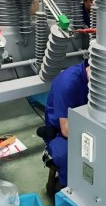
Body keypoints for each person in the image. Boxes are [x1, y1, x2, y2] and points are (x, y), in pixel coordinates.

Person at [38, 60, 90, 188]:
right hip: (60, 132)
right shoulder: (68, 82)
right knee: (67, 156)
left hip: (86, 126)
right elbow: (66, 129)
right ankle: (69, 190)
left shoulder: (100, 82)